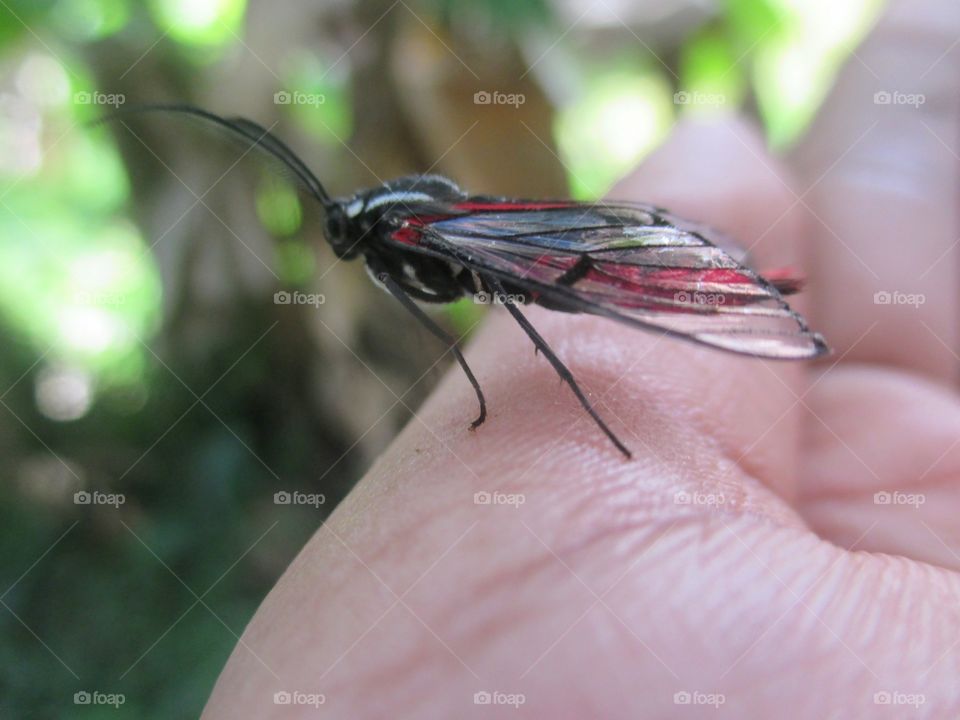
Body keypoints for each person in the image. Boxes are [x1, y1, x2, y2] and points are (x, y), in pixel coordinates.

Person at [204, 1, 960, 716]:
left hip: (551, 259)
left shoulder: (410, 233)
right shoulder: (403, 232)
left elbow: (472, 281)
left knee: (635, 295)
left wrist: (489, 378)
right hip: (549, 249)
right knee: (640, 288)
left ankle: (738, 292)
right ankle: (736, 286)